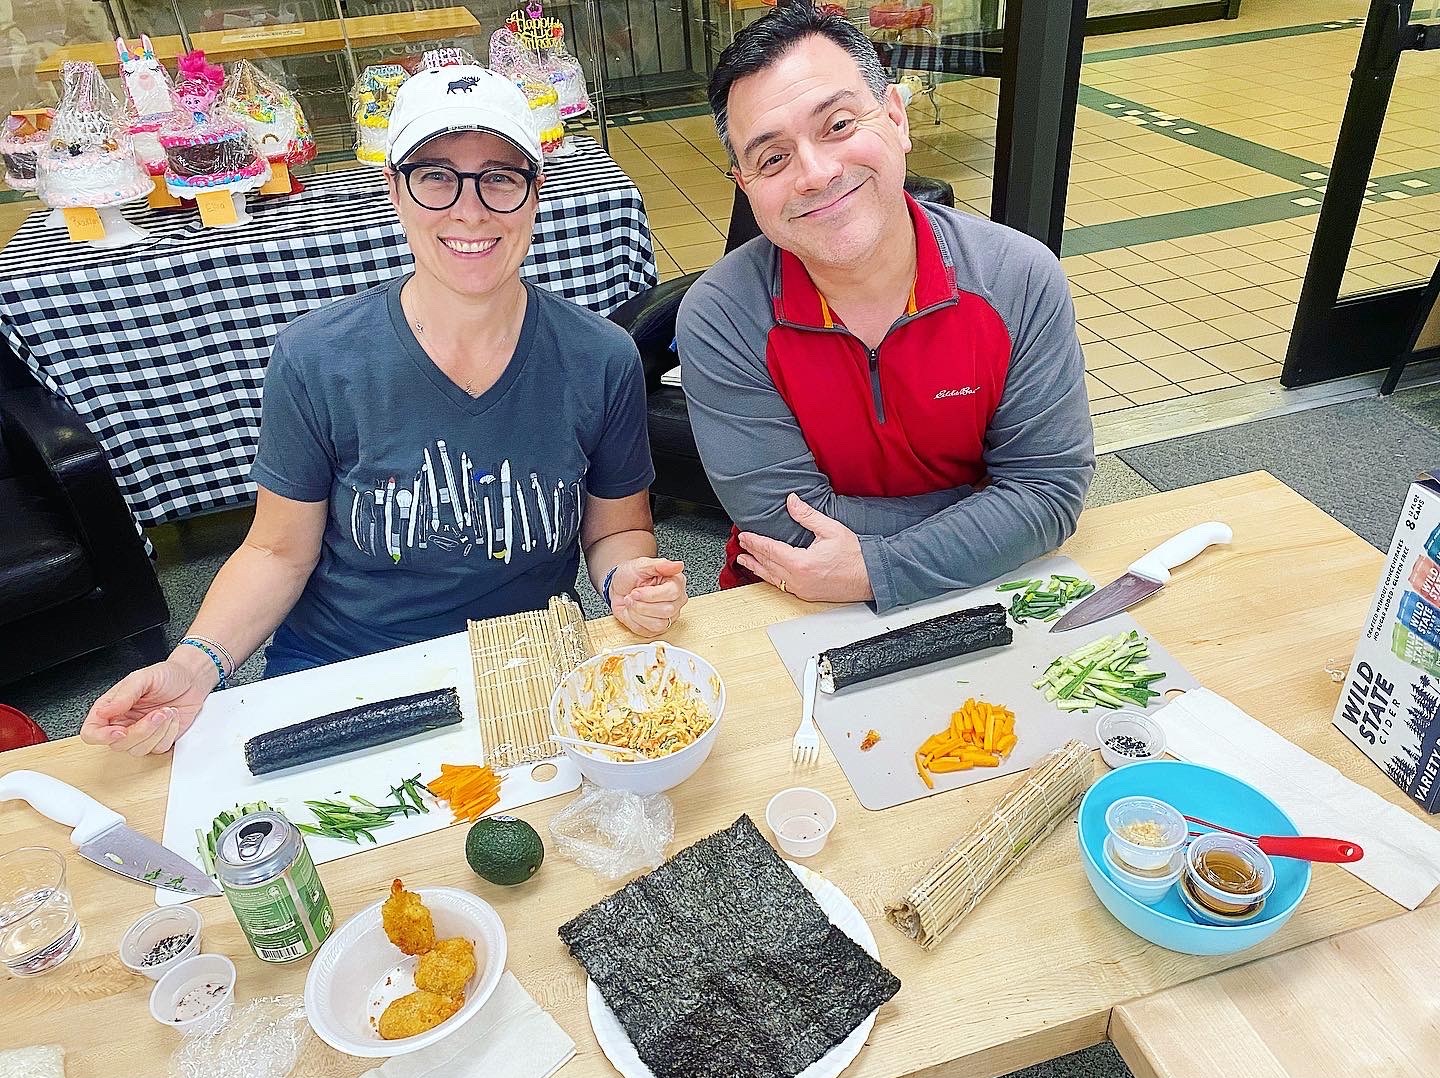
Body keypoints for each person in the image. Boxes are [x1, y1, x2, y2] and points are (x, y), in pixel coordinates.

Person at [81, 62, 687, 756]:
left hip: (522, 665)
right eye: (435, 176)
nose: (471, 209)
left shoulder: (601, 358)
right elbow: (278, 552)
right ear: (395, 192)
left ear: (535, 192)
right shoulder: (317, 359)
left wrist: (625, 581)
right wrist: (194, 666)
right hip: (345, 672)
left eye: (500, 176)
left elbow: (617, 533)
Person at [676, 3, 1094, 614]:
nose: (815, 173)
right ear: (746, 186)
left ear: (896, 117)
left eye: (838, 125)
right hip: (800, 596)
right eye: (773, 158)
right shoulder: (722, 318)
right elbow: (781, 523)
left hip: (993, 589)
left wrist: (881, 567)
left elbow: (1048, 493)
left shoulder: (1018, 280)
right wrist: (993, 511)